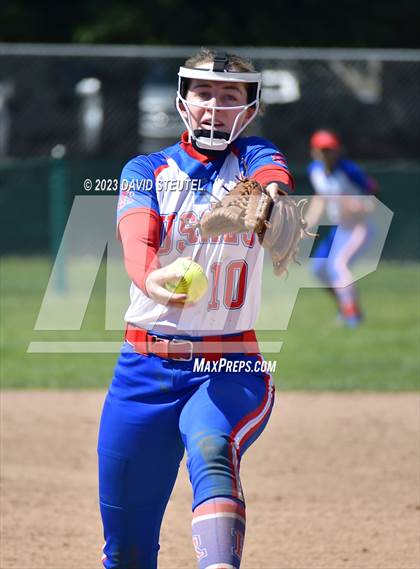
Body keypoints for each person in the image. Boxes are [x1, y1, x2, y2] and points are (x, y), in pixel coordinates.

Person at [97, 48, 295, 569]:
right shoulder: (146, 169)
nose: (215, 106)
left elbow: (270, 168)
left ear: (249, 107)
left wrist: (272, 193)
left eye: (230, 96)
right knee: (128, 549)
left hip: (229, 366)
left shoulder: (254, 159)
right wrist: (151, 276)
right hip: (142, 371)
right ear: (184, 101)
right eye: (203, 93)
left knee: (211, 446)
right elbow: (136, 241)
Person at [305, 129, 378, 327]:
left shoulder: (349, 170)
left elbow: (373, 198)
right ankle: (345, 306)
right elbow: (320, 198)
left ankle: (352, 317)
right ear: (314, 152)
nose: (326, 154)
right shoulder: (315, 171)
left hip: (358, 226)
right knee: (319, 269)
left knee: (339, 266)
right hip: (339, 228)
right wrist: (307, 223)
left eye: (330, 149)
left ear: (337, 151)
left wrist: (360, 206)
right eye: (322, 150)